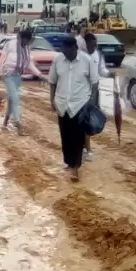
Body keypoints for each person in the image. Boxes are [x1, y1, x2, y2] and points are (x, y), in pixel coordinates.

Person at [48, 36, 99, 182]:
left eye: (67, 51)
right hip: (62, 104)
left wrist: (91, 102)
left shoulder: (87, 60)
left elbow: (95, 83)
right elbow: (52, 81)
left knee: (77, 137)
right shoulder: (58, 60)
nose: (64, 53)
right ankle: (69, 162)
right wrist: (51, 100)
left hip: (80, 104)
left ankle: (75, 167)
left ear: (74, 48)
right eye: (62, 50)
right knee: (65, 136)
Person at [0, 29, 47, 135]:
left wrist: (40, 75)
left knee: (11, 100)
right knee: (15, 97)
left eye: (28, 41)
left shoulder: (27, 49)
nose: (27, 42)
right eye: (26, 40)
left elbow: (29, 64)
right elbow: (2, 58)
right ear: (21, 38)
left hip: (17, 76)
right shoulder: (10, 44)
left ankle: (5, 122)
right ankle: (18, 124)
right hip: (8, 74)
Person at [82, 32, 113, 159]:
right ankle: (87, 148)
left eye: (95, 45)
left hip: (94, 90)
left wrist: (110, 74)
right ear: (86, 44)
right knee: (85, 119)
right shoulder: (80, 55)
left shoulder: (98, 55)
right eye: (92, 45)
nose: (94, 47)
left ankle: (85, 146)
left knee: (93, 118)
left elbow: (102, 69)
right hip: (82, 91)